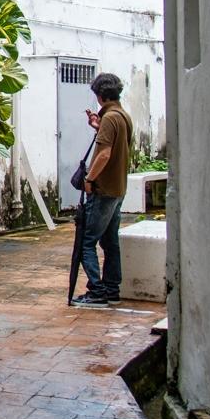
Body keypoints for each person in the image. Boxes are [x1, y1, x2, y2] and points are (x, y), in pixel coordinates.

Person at [71, 72, 133, 309]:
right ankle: (111, 289)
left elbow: (105, 154)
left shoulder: (110, 118)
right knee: (110, 241)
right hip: (118, 188)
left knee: (87, 242)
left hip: (104, 189)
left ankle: (97, 292)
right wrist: (98, 127)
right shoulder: (123, 116)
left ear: (100, 95)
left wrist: (90, 178)